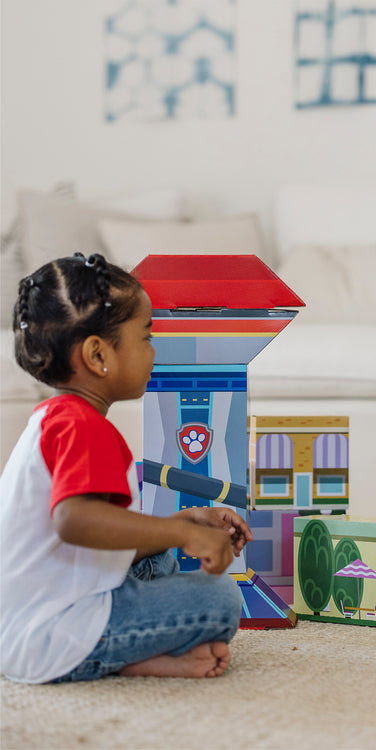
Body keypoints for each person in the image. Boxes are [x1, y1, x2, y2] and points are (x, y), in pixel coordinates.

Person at [0, 253, 252, 684]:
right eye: (146, 336)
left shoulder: (59, 418)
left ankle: (132, 653)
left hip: (31, 612)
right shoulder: (83, 426)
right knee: (220, 600)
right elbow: (75, 521)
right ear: (99, 354)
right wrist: (184, 534)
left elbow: (90, 543)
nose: (154, 349)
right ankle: (119, 658)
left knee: (159, 562)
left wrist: (183, 520)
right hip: (45, 636)